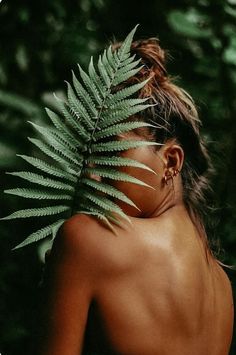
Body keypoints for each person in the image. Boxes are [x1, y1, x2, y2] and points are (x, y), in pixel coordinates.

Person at [37, 38, 234, 355]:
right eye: (92, 156)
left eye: (113, 152)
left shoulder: (88, 240)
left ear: (170, 161)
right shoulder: (221, 285)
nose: (94, 174)